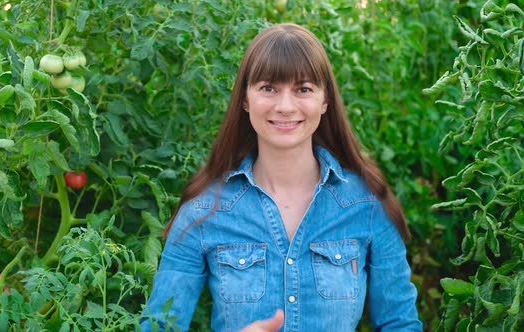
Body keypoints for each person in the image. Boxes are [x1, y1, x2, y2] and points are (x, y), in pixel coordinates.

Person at [140, 23, 422, 331]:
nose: (285, 106)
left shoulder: (366, 204)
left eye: (303, 89)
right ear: (245, 100)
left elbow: (400, 324)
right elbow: (157, 326)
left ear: (324, 100)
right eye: (268, 88)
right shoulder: (204, 211)